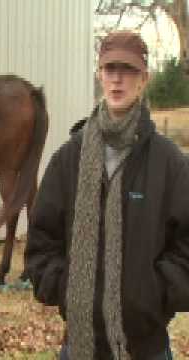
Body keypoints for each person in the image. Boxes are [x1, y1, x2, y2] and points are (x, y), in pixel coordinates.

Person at [22, 30, 189, 359]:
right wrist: (67, 288)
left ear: (144, 80)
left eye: (128, 71)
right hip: (80, 346)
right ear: (99, 75)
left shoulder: (170, 164)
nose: (117, 79)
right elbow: (41, 242)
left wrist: (152, 293)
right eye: (110, 69)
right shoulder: (68, 159)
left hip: (147, 348)